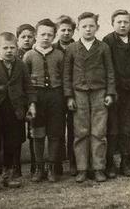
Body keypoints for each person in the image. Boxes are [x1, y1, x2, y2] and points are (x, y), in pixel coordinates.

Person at [0, 32, 36, 193]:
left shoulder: (21, 65)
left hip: (15, 110)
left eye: (12, 47)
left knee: (12, 142)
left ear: (16, 48)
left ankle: (7, 175)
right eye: (5, 48)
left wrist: (31, 105)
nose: (9, 51)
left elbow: (28, 87)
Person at [63, 12, 116, 183]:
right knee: (81, 132)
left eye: (91, 26)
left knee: (99, 132)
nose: (88, 29)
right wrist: (69, 97)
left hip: (99, 92)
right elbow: (67, 75)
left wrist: (110, 93)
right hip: (79, 94)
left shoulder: (103, 47)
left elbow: (110, 71)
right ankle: (82, 169)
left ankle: (99, 168)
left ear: (97, 28)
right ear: (78, 28)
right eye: (84, 26)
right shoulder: (72, 49)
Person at [102, 10, 130, 178]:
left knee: (127, 127)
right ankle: (110, 163)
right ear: (113, 23)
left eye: (126, 22)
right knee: (112, 128)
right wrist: (111, 90)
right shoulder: (108, 41)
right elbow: (107, 68)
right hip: (114, 92)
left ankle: (126, 162)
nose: (123, 25)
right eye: (119, 22)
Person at [23, 19, 65, 183]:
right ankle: (39, 168)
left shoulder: (59, 55)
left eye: (50, 35)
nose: (46, 38)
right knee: (38, 133)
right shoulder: (29, 55)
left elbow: (64, 77)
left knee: (54, 133)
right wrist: (30, 101)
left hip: (55, 96)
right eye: (43, 34)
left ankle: (52, 168)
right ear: (36, 35)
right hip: (37, 97)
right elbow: (25, 81)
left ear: (54, 36)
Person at [53, 15, 76, 176]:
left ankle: (74, 161)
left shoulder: (77, 47)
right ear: (57, 31)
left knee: (74, 128)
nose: (66, 33)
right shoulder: (52, 48)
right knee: (57, 128)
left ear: (73, 31)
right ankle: (58, 163)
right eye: (63, 30)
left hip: (75, 92)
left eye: (69, 30)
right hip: (57, 94)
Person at [16, 23, 35, 175]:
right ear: (17, 39)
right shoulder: (13, 55)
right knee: (15, 132)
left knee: (34, 131)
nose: (27, 39)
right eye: (23, 37)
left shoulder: (36, 54)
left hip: (32, 97)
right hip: (17, 99)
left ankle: (35, 164)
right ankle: (15, 166)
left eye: (30, 37)